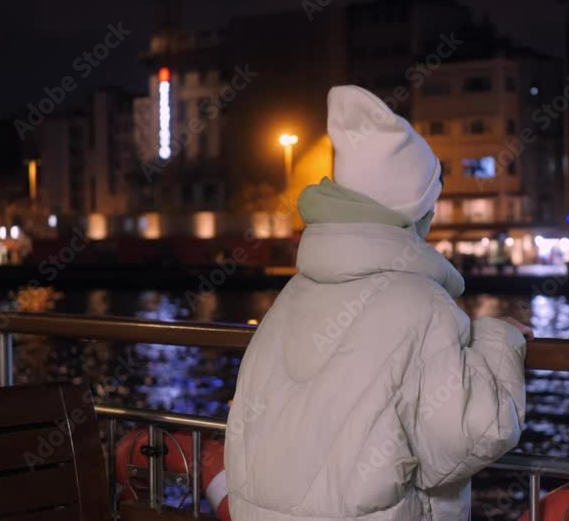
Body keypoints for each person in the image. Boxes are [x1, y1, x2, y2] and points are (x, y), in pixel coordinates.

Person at [225, 85, 531, 521]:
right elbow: (470, 436)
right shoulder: (422, 304)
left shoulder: (292, 295)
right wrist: (498, 340)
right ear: (416, 214)